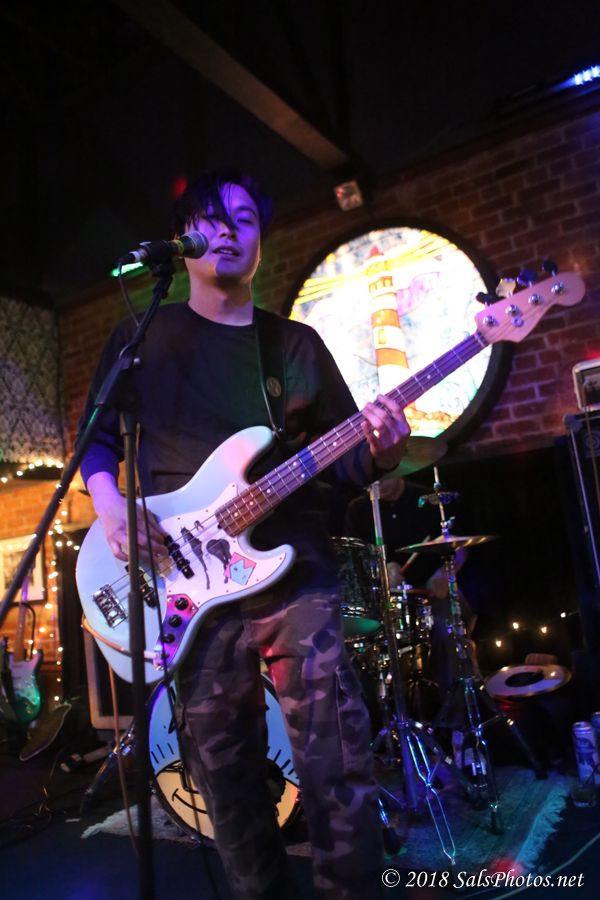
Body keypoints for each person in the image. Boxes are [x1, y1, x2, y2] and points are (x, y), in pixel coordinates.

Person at [78, 169, 411, 900]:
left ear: (262, 241)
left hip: (296, 573)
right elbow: (95, 440)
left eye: (245, 219)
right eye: (211, 218)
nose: (228, 230)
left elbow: (345, 461)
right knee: (224, 775)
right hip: (183, 585)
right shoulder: (143, 337)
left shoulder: (293, 346)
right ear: (184, 238)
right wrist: (111, 506)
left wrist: (382, 450)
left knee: (336, 757)